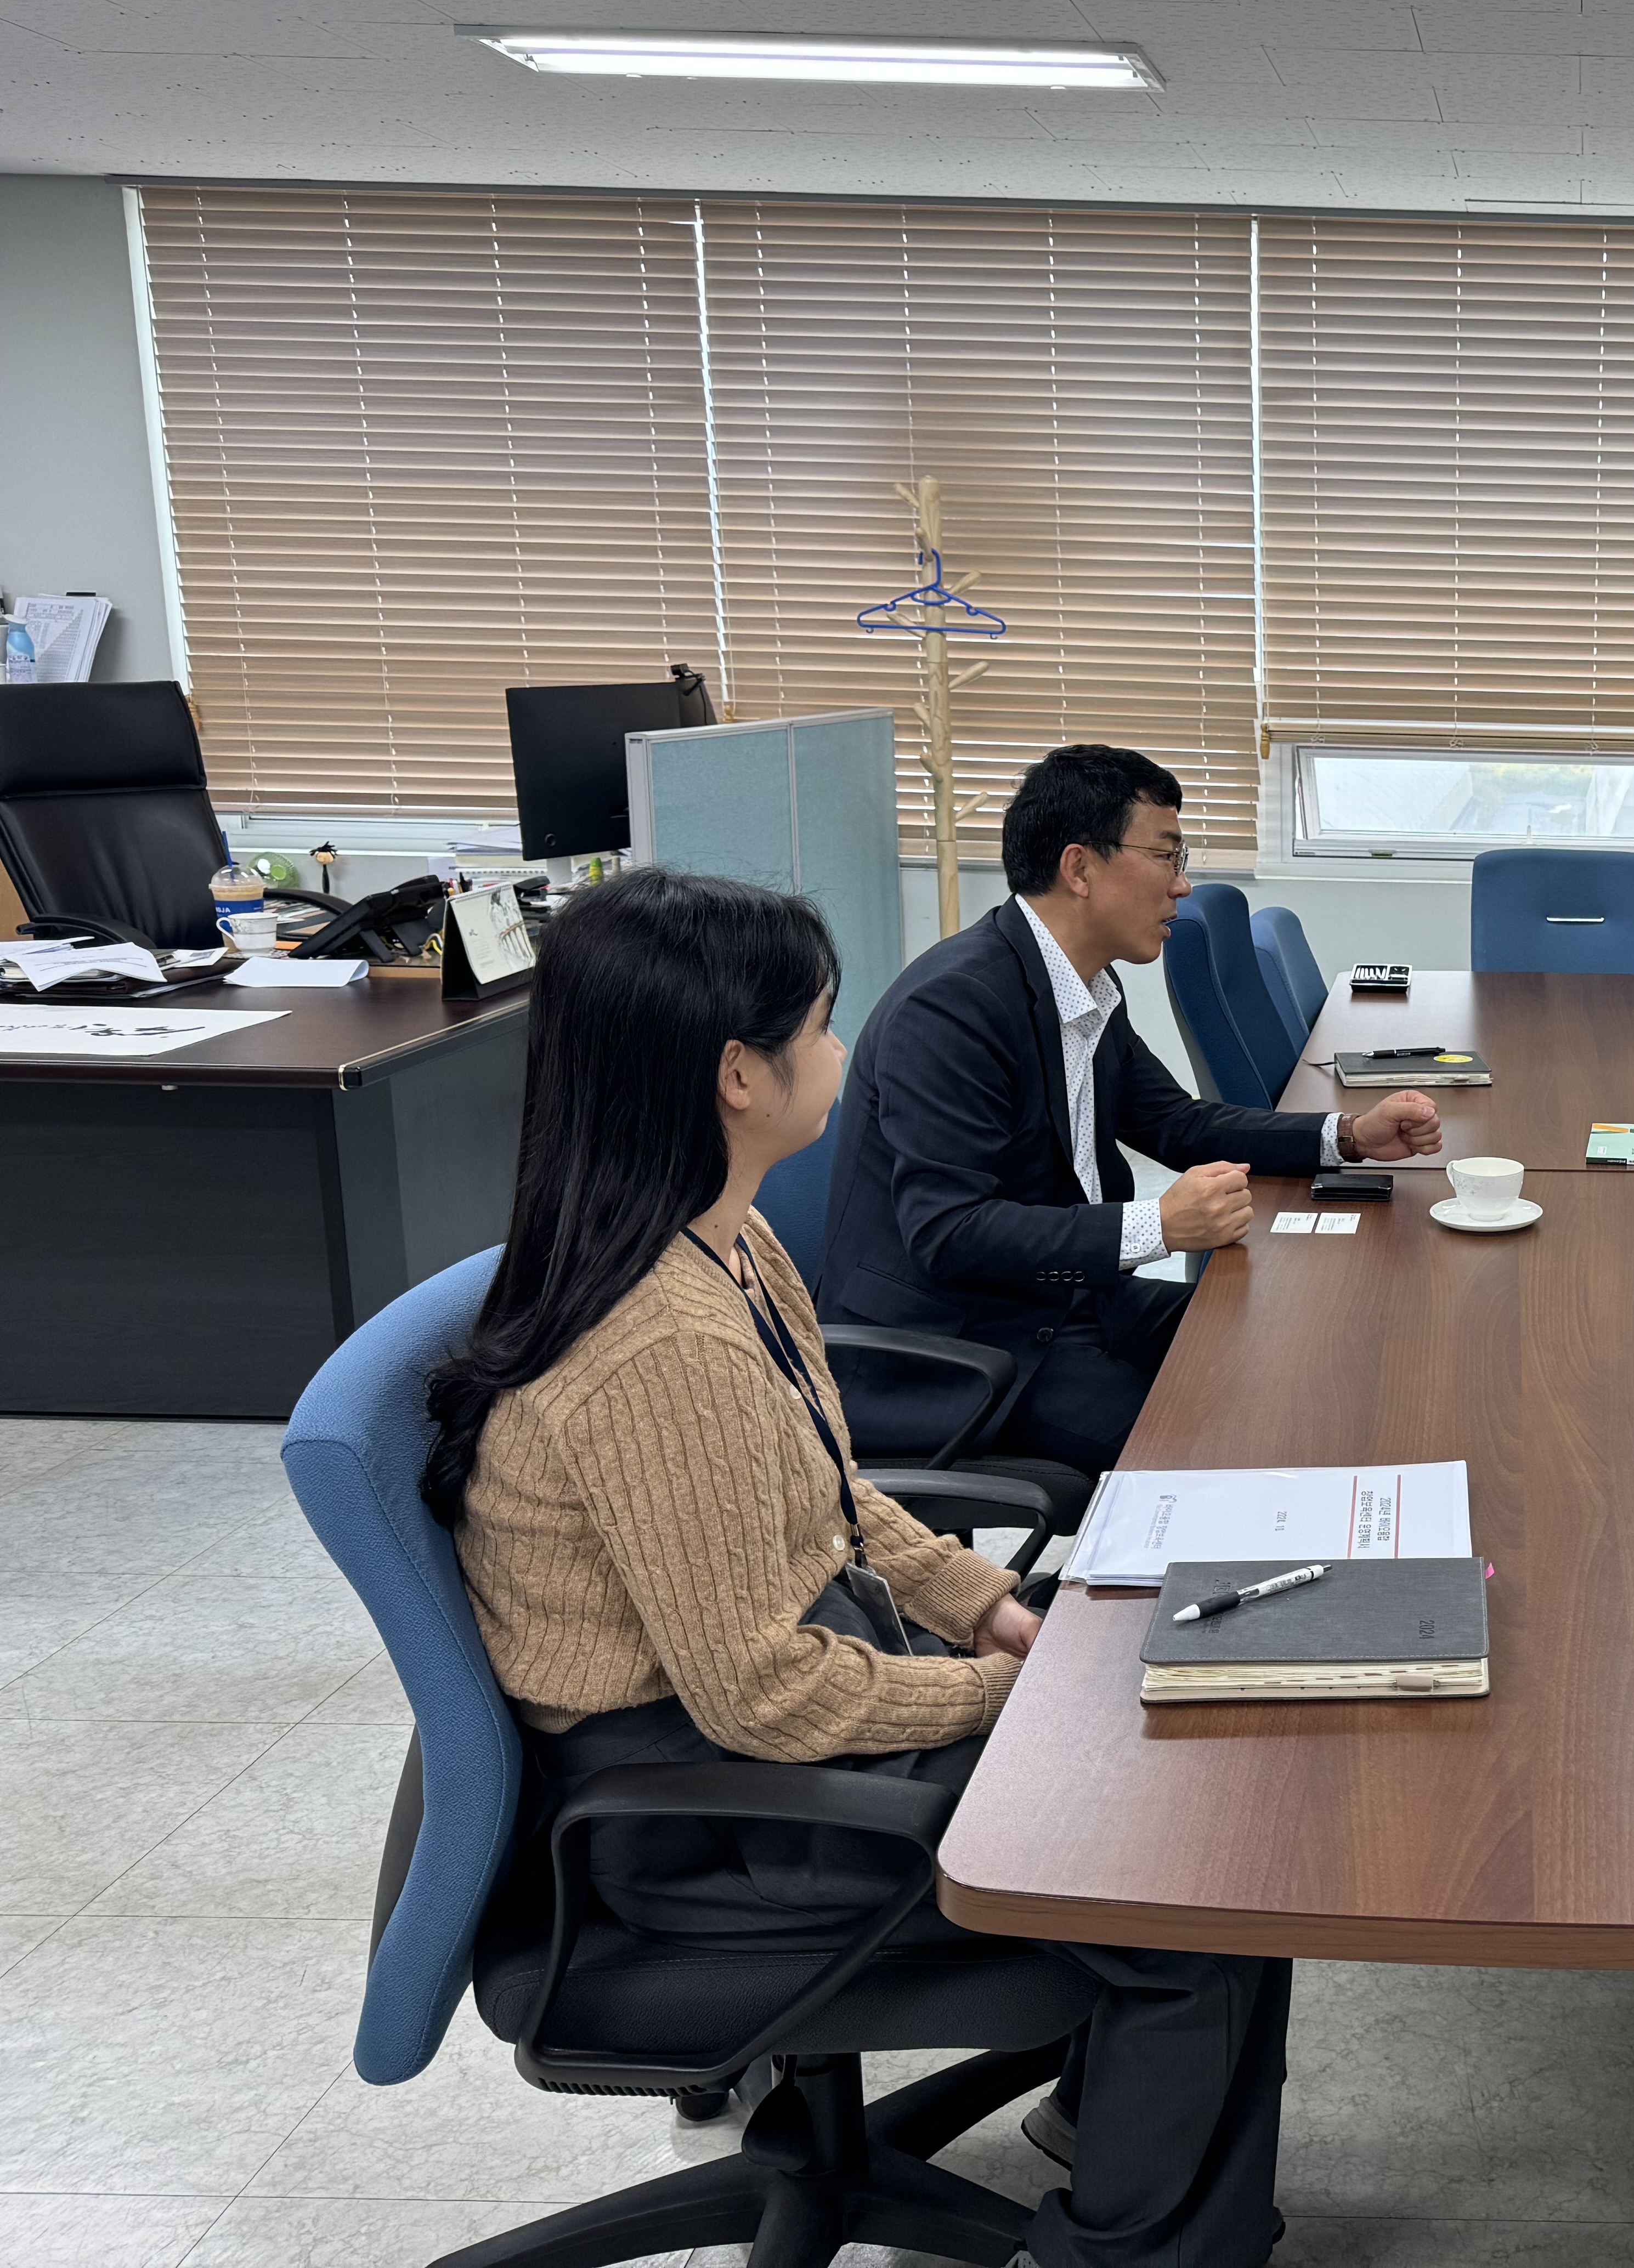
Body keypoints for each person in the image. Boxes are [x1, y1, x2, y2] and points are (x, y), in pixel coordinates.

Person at [431, 866, 1286, 2268]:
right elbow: (764, 1697)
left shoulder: (728, 1243)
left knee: (1190, 1750)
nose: (844, 1052)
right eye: (823, 1026)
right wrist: (1016, 1697)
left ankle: (1122, 2137)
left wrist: (993, 1609)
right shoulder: (661, 1349)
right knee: (1199, 1869)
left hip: (785, 1712)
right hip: (712, 1819)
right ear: (737, 1075)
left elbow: (832, 1497)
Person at [817, 744, 1441, 1475]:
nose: (1182, 885)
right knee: (1227, 1452)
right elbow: (949, 1231)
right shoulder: (952, 1009)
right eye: (1167, 856)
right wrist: (1158, 1226)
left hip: (1067, 1302)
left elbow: (1178, 1124)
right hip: (959, 1347)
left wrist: (1350, 1136)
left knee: (1296, 1349)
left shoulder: (1085, 987)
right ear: (1080, 869)